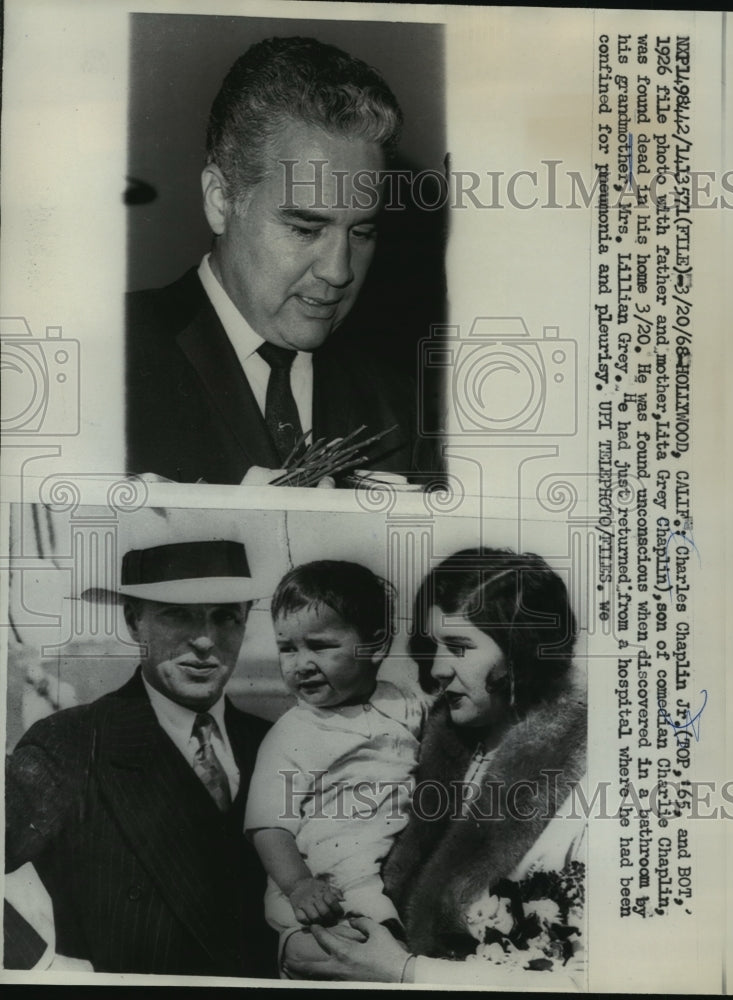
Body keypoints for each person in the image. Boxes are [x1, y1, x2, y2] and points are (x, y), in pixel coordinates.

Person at [126, 36, 441, 487]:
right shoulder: (106, 357)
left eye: (362, 232)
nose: (339, 271)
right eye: (305, 229)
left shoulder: (400, 409)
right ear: (221, 201)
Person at [283, 548, 587, 985]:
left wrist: (407, 973)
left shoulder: (587, 779)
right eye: (433, 646)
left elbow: (594, 980)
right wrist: (300, 943)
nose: (438, 668)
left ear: (522, 651)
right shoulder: (407, 745)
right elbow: (331, 851)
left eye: (460, 647)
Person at [5, 536, 277, 977]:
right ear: (134, 621)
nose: (206, 640)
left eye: (226, 616)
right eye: (179, 615)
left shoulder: (273, 744)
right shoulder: (71, 744)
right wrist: (40, 965)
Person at [245, 561, 425, 948]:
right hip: (323, 885)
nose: (301, 665)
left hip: (381, 861)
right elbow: (268, 826)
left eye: (321, 646)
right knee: (374, 947)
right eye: (287, 649)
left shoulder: (403, 702)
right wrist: (298, 885)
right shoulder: (293, 734)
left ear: (375, 645)